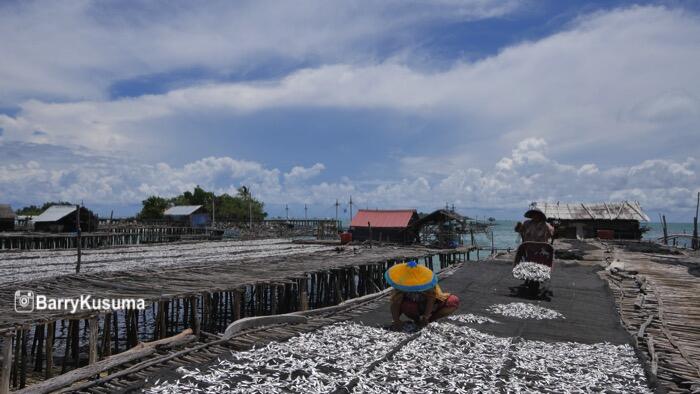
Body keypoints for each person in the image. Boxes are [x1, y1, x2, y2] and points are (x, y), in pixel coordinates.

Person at [390, 283, 460, 330]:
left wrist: (426, 317)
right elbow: (395, 303)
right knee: (407, 305)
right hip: (413, 307)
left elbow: (431, 300)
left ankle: (430, 320)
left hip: (432, 306)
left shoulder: (428, 283)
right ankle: (417, 321)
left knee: (453, 301)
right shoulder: (401, 285)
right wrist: (396, 320)